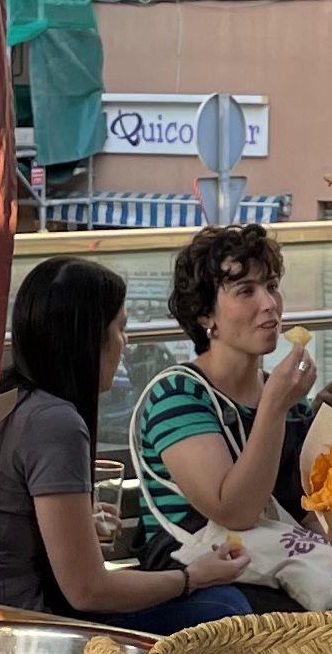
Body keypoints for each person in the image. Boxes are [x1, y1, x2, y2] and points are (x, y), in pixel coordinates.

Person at [0, 259, 252, 631]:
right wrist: (193, 576)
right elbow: (87, 590)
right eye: (121, 327)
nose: (126, 341)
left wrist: (80, 525)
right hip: (26, 627)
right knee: (224, 607)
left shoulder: (7, 398)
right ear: (89, 339)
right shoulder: (55, 422)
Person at [128, 222, 319, 561]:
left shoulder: (283, 394)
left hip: (272, 571)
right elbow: (233, 512)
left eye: (272, 286)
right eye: (246, 291)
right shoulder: (178, 395)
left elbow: (300, 508)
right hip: (195, 585)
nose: (270, 303)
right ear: (205, 315)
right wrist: (274, 408)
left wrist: (321, 419)